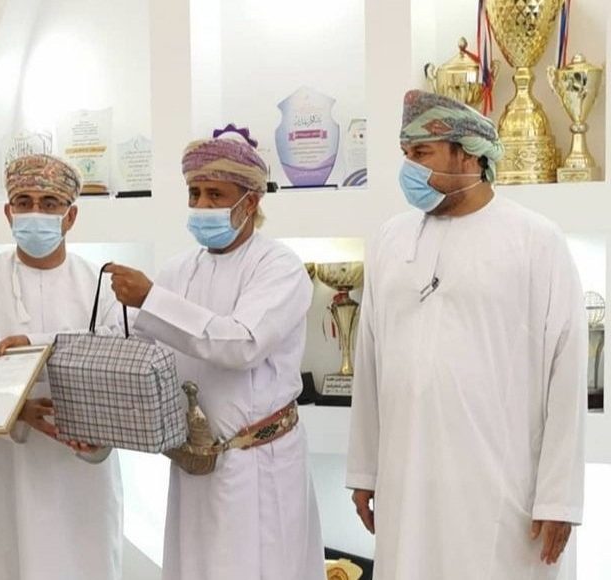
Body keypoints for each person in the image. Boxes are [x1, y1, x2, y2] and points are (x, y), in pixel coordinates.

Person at [346, 90, 587, 579]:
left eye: (422, 153)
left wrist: (559, 496)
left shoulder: (535, 240)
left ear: (469, 154)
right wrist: (364, 472)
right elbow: (369, 362)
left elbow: (567, 369)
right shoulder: (391, 238)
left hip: (499, 482)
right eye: (406, 154)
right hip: (408, 477)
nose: (409, 168)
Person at [106, 128, 325, 580]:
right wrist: (48, 345)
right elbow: (136, 345)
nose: (202, 205)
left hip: (259, 464)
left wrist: (151, 299)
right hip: (194, 464)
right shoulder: (179, 269)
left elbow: (242, 344)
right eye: (195, 193)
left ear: (250, 201)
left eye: (215, 195)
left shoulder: (279, 266)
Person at [0, 153, 122, 580]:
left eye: (49, 203)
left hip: (78, 467)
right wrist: (17, 410)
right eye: (23, 202)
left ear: (71, 216)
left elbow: (116, 360)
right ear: (8, 212)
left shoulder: (100, 285)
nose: (35, 213)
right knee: (3, 561)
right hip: (5, 466)